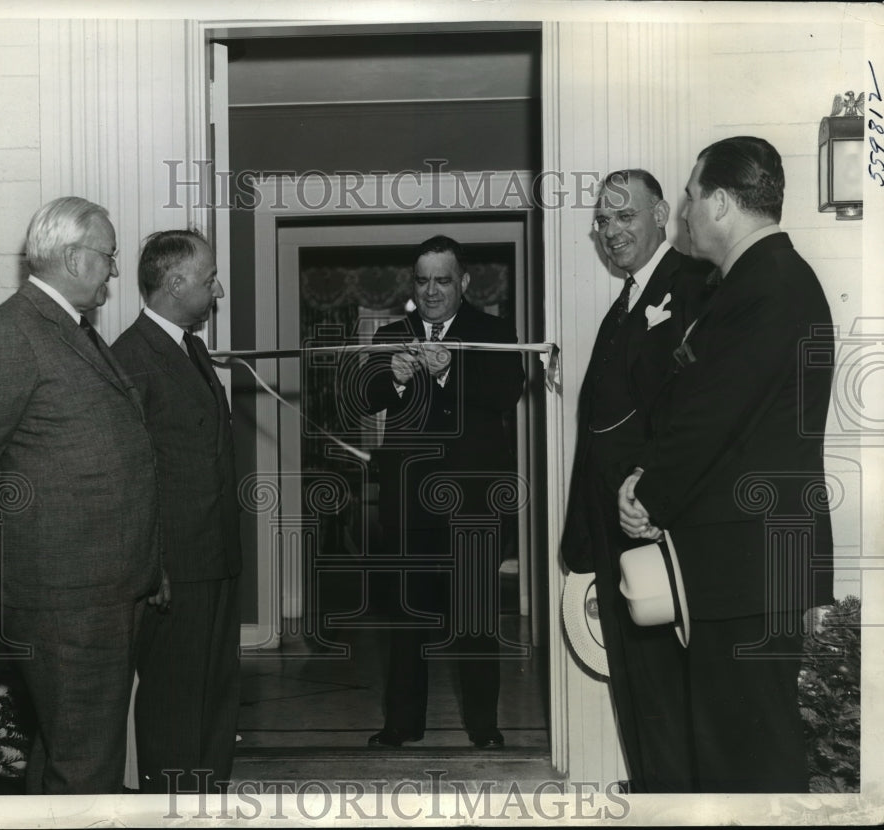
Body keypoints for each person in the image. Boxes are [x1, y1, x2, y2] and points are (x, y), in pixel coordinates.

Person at [618, 136, 835, 792]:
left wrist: (646, 496)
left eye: (687, 197)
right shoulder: (764, 281)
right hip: (747, 564)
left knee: (749, 762)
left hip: (750, 565)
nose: (682, 213)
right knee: (737, 751)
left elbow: (710, 418)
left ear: (717, 202)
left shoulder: (765, 286)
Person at [0, 196, 162, 794]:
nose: (115, 271)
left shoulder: (68, 329)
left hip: (104, 585)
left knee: (72, 749)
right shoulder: (11, 334)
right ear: (71, 256)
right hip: (67, 597)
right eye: (108, 257)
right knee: (86, 764)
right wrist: (0, 560)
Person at [560, 169, 712, 792]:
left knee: (666, 686)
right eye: (602, 220)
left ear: (660, 217)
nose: (611, 231)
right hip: (613, 528)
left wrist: (654, 493)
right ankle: (652, 792)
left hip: (655, 523)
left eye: (625, 216)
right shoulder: (623, 305)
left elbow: (696, 407)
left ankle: (672, 797)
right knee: (634, 682)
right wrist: (581, 535)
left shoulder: (695, 286)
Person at [357, 235, 525, 749]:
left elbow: (506, 392)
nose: (432, 291)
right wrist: (399, 378)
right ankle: (401, 725)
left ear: (464, 283)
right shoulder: (392, 332)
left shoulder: (494, 332)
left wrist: (448, 370)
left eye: (443, 280)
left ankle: (483, 728)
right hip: (409, 508)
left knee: (475, 624)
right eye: (423, 280)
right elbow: (365, 395)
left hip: (472, 506)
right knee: (407, 623)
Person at [111, 230, 242, 794]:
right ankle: (173, 806)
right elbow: (128, 476)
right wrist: (152, 564)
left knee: (216, 693)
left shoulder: (191, 347)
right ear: (176, 281)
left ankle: (208, 799)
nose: (218, 289)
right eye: (210, 278)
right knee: (173, 700)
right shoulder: (129, 358)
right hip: (174, 570)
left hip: (215, 557)